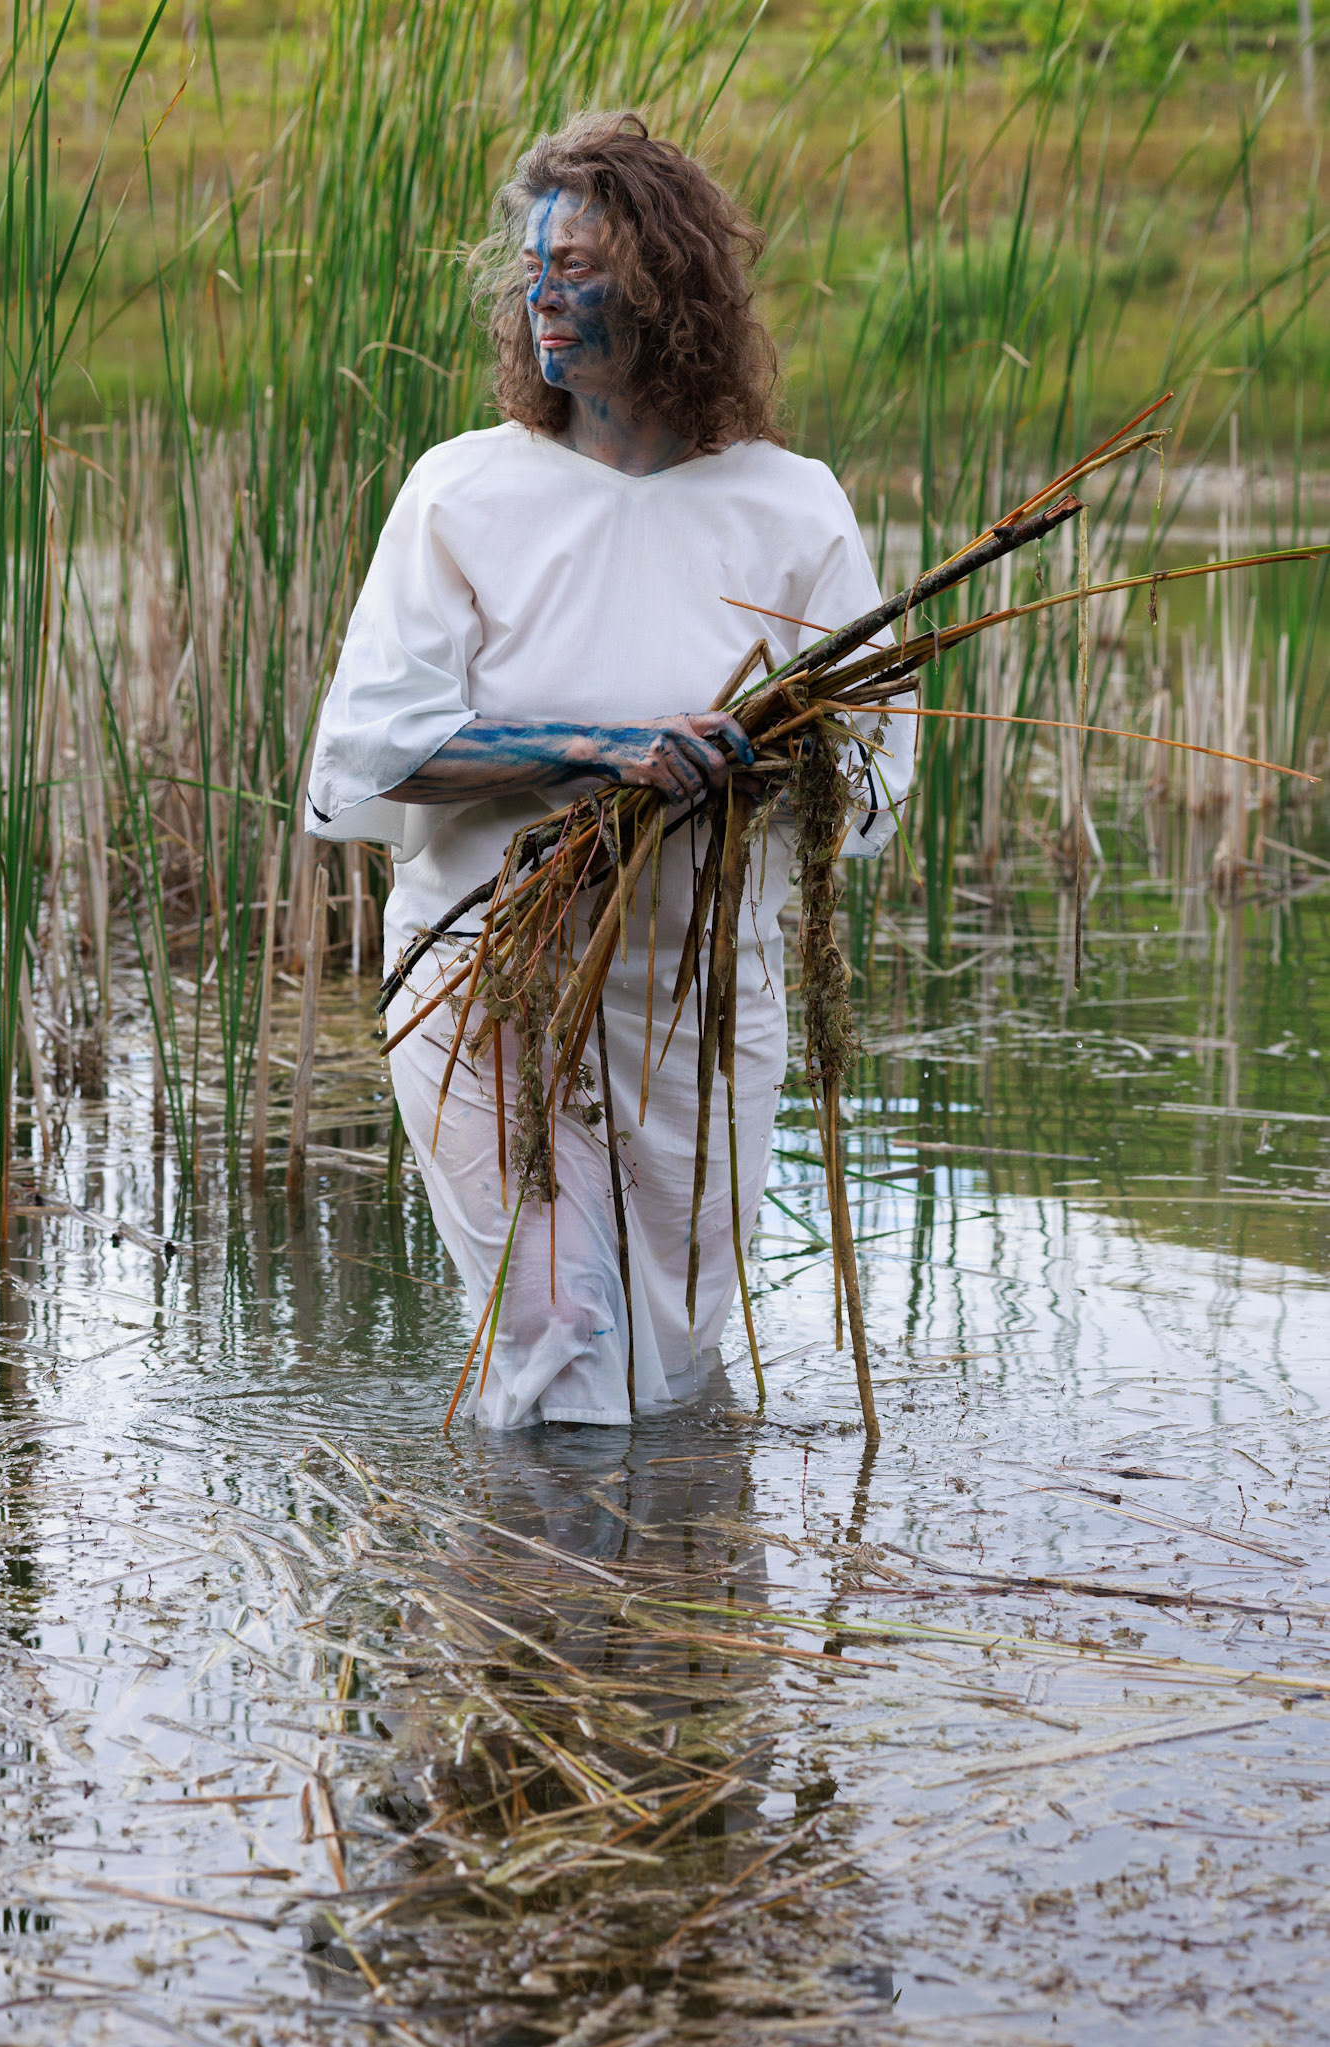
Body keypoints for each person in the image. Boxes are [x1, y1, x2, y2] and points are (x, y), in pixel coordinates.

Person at [305, 111, 914, 1429]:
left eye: (577, 266)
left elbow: (871, 774)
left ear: (668, 289)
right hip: (482, 977)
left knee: (666, 1370)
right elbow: (365, 753)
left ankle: (656, 1621)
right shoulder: (464, 493)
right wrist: (590, 750)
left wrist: (761, 768)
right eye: (533, 267)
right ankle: (538, 1620)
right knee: (565, 1337)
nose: (542, 294)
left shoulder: (792, 506)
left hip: (696, 1003)